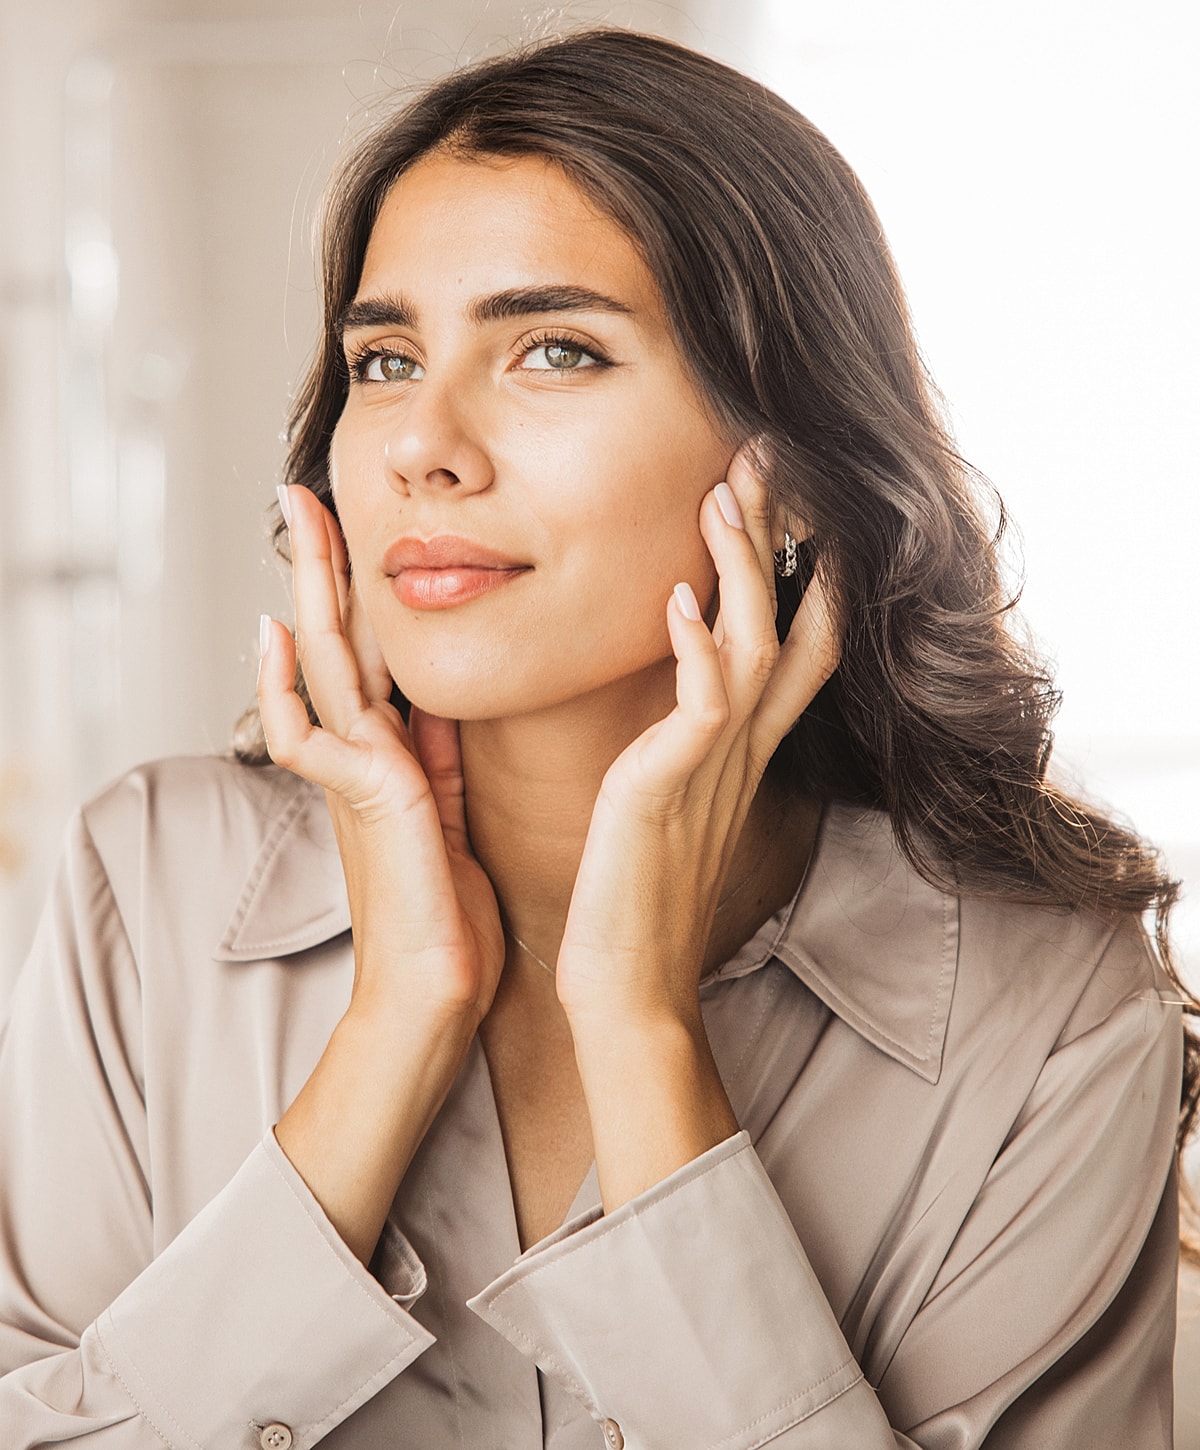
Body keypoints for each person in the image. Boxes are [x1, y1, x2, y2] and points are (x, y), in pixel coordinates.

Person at [0, 25, 1194, 1449]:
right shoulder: (144, 883)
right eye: (384, 359)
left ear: (796, 475)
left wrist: (640, 1027)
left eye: (552, 349)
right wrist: (391, 1028)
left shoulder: (1049, 1010)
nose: (419, 443)